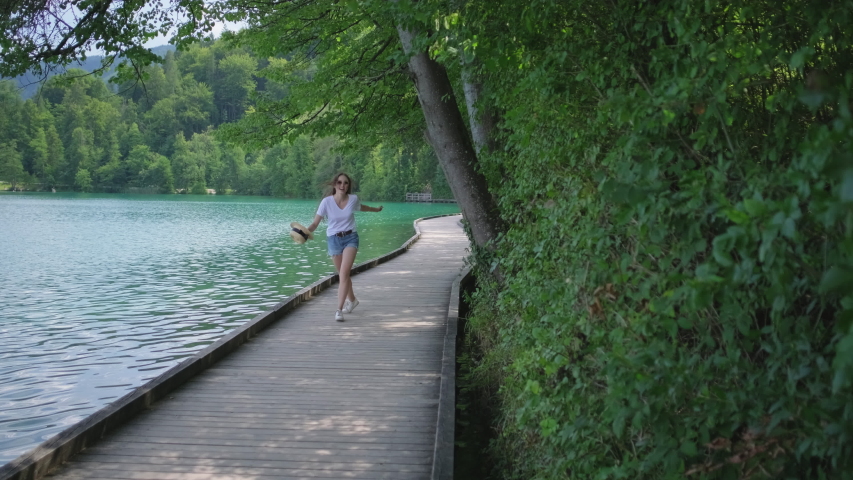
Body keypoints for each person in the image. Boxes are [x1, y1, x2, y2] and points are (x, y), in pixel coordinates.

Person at [306, 173, 383, 322]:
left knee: (343, 273)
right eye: (339, 182)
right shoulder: (326, 202)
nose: (342, 185)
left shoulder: (353, 199)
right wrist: (305, 233)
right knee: (344, 275)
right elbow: (315, 223)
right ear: (335, 185)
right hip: (333, 240)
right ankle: (352, 300)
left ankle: (339, 310)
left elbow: (363, 207)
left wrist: (376, 210)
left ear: (348, 186)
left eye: (346, 183)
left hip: (350, 238)